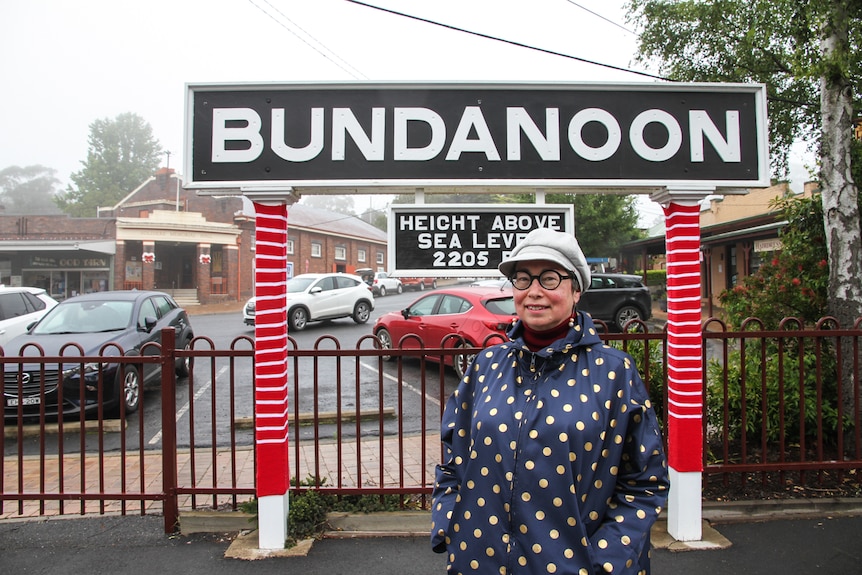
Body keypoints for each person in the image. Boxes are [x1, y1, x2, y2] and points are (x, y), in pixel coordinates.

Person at [431, 228, 669, 574]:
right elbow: (455, 456)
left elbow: (645, 482)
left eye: (550, 278)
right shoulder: (487, 365)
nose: (534, 292)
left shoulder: (615, 373)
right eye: (523, 279)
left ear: (576, 291)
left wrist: (603, 563)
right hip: (479, 560)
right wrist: (449, 523)